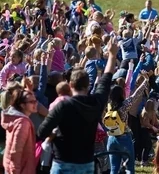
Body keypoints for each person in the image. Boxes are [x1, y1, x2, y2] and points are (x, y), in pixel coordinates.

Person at [37, 36, 118, 174]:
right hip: (86, 165)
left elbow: (41, 132)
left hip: (62, 164)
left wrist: (55, 134)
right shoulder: (96, 103)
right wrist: (112, 55)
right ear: (88, 86)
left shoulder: (62, 106)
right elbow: (106, 79)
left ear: (70, 85)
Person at [1, 89, 38, 174]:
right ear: (22, 105)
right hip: (20, 169)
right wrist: (15, 171)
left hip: (10, 166)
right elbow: (16, 150)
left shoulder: (14, 117)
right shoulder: (23, 123)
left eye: (36, 100)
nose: (36, 103)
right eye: (32, 102)